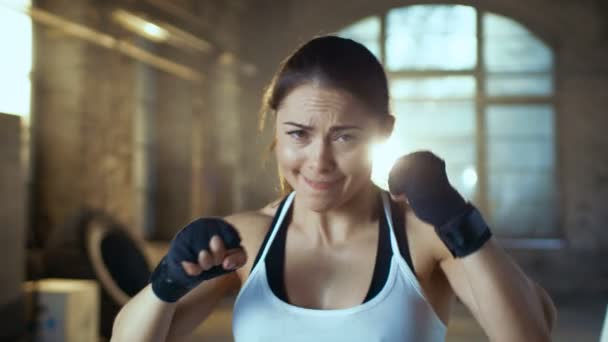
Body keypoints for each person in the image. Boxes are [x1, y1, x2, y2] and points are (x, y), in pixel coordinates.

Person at [111, 36, 556, 342]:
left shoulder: (420, 237)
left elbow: (530, 335)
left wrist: (463, 226)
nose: (318, 161)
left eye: (345, 137)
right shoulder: (246, 240)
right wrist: (167, 281)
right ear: (276, 131)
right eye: (299, 134)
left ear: (383, 133)